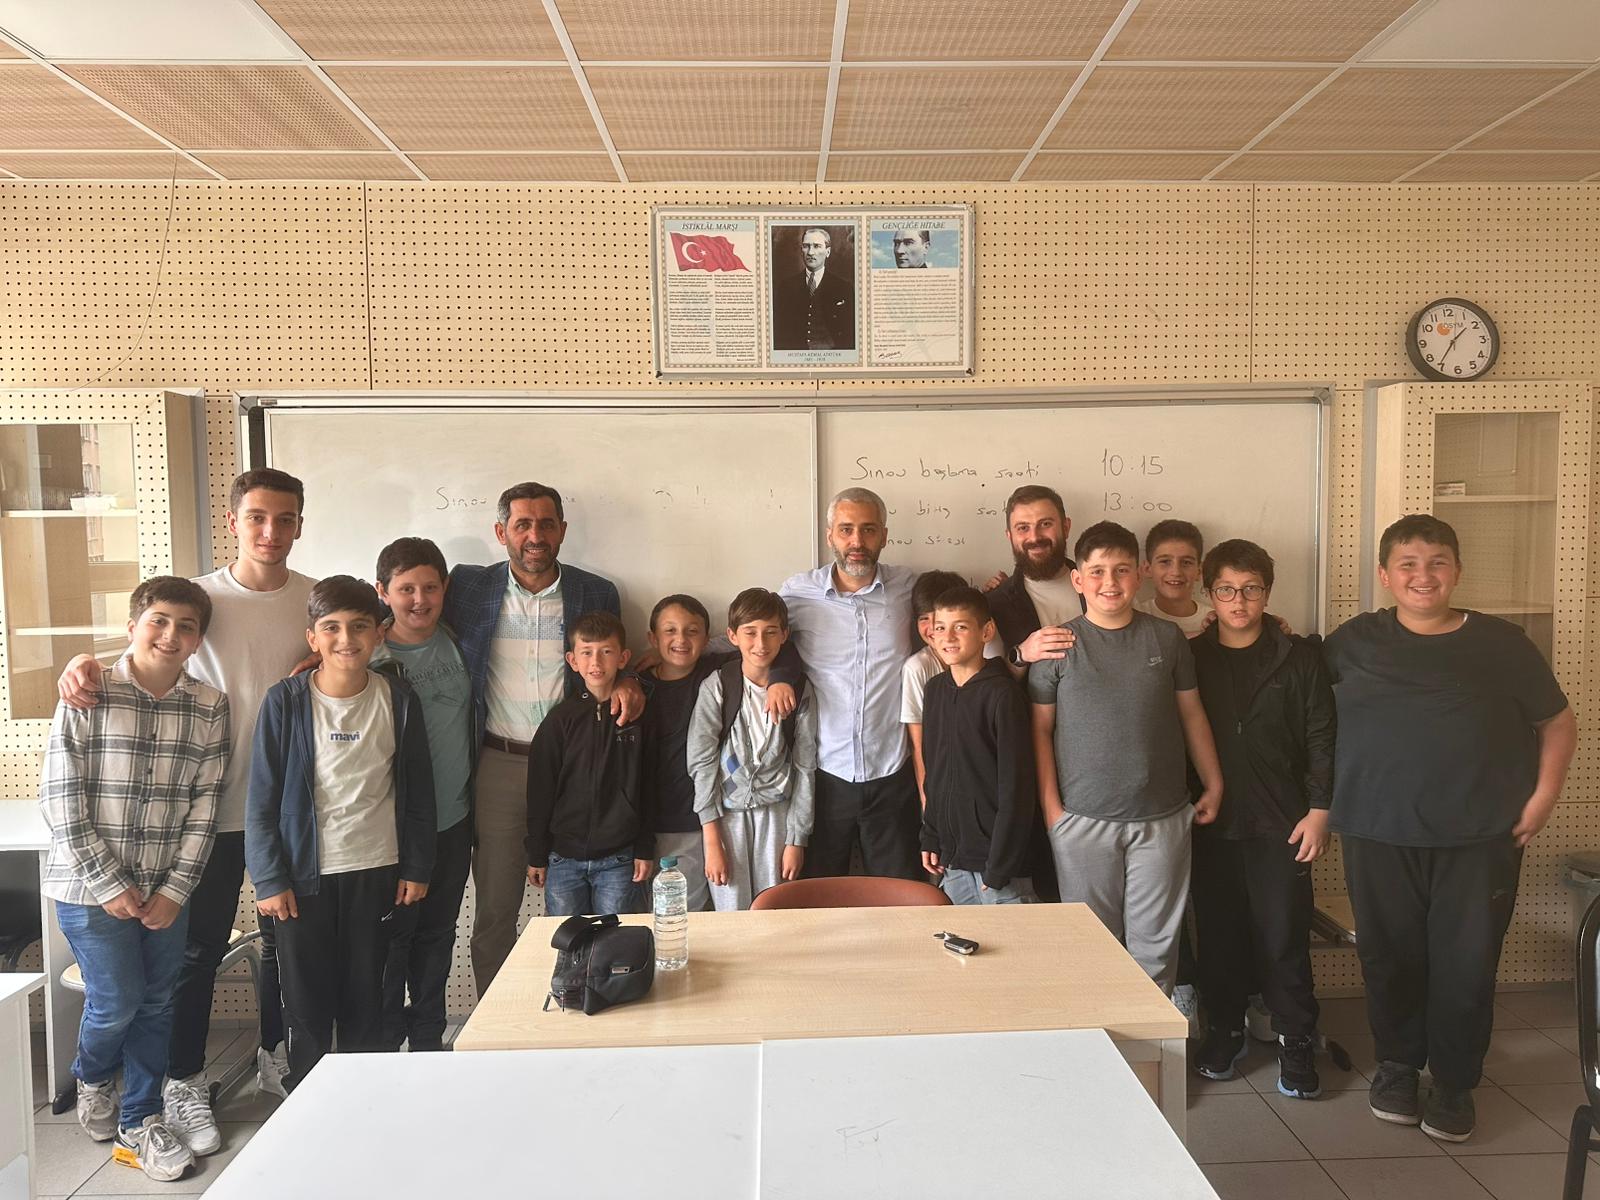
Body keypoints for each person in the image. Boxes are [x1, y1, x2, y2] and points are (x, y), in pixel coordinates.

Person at [55, 468, 314, 1152]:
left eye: (284, 519)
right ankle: (182, 1080)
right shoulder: (201, 598)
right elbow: (146, 652)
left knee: (286, 949)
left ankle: (277, 1058)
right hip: (206, 816)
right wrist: (82, 662)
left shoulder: (313, 599)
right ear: (234, 521)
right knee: (195, 958)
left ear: (300, 524)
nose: (270, 531)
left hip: (290, 814)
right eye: (257, 516)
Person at [1326, 514, 1576, 1143]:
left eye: (1436, 562)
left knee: (1467, 963)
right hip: (1377, 831)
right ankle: (1397, 1067)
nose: (1423, 576)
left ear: (1457, 571)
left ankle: (1455, 1081)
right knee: (1390, 958)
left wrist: (1545, 797)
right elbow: (1302, 706)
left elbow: (1556, 721)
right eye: (1407, 564)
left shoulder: (1503, 643)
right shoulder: (1351, 642)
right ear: (1385, 575)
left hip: (1480, 836)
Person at [39, 577, 229, 1182]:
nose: (171, 635)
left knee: (157, 1002)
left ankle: (141, 1118)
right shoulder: (88, 691)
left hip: (166, 889)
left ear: (199, 640)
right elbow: (60, 798)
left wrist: (175, 890)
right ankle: (93, 1075)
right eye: (158, 621)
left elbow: (206, 805)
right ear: (132, 626)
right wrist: (109, 884)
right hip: (87, 887)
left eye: (186, 627)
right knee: (118, 999)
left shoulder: (209, 705)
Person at [443, 482, 639, 994]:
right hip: (499, 763)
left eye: (546, 524)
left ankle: (589, 998)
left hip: (577, 768)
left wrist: (631, 680)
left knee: (586, 906)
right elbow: (403, 609)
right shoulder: (467, 587)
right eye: (522, 524)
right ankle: (497, 1018)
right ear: (500, 531)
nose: (535, 536)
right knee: (495, 908)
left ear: (562, 530)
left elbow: (612, 660)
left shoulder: (596, 592)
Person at [246, 576, 435, 1092]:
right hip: (301, 882)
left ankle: (364, 1100)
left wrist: (417, 866)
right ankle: (308, 1101)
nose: (346, 639)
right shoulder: (285, 702)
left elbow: (419, 792)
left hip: (377, 871)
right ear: (313, 637)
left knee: (368, 999)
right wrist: (268, 878)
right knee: (306, 1003)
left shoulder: (398, 699)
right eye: (331, 628)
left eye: (359, 626)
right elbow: (261, 800)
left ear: (378, 634)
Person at [1028, 521, 1224, 993]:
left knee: (1155, 952)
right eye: (1097, 572)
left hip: (1162, 821)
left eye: (1121, 570)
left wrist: (1214, 782)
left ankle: (1150, 1041)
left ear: (1139, 574)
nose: (1109, 582)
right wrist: (1053, 813)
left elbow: (1192, 714)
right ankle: (1101, 1038)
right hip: (1082, 822)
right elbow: (1040, 730)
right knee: (1093, 951)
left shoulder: (1166, 639)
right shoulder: (1057, 645)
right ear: (1078, 580)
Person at [1188, 540, 1335, 1100]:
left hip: (1284, 822)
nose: (1239, 601)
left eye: (1250, 589)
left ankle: (1296, 1037)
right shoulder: (1192, 657)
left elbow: (1322, 736)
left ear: (1267, 593)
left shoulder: (1299, 657)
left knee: (1283, 936)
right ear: (1210, 594)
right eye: (1226, 590)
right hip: (1212, 821)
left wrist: (1320, 810)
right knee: (1219, 935)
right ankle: (1225, 1029)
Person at [780, 488, 920, 880]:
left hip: (892, 774)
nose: (857, 541)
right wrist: (679, 654)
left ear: (884, 535)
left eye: (868, 529)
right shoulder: (798, 593)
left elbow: (958, 616)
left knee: (899, 896)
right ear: (830, 535)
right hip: (824, 776)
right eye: (846, 530)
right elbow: (751, 635)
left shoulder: (910, 588)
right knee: (820, 897)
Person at [371, 538, 475, 1053]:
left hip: (453, 820)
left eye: (430, 588)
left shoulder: (461, 641)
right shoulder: (368, 657)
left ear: (445, 589)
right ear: (382, 592)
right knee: (394, 939)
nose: (419, 600)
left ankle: (430, 1038)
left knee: (438, 933)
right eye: (405, 589)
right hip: (392, 829)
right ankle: (388, 1043)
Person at [639, 594, 801, 911]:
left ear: (707, 639)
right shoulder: (639, 687)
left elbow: (780, 647)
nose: (681, 640)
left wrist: (781, 678)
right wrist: (629, 678)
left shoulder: (717, 671)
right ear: (653, 638)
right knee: (681, 913)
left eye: (692, 631)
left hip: (721, 814)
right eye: (670, 631)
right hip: (667, 819)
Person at [688, 589, 816, 910]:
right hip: (726, 819)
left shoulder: (800, 689)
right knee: (731, 913)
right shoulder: (718, 686)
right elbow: (702, 763)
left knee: (775, 912)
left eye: (771, 632)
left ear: (784, 635)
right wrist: (711, 839)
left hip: (779, 817)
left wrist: (796, 840)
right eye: (750, 632)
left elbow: (805, 767)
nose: (761, 643)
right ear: (732, 636)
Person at [524, 611, 652, 918]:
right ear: (572, 660)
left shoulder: (636, 718)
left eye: (606, 652)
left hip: (619, 859)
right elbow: (540, 791)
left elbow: (648, 786)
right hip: (563, 860)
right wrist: (537, 853)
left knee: (615, 938)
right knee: (569, 940)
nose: (596, 662)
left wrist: (644, 848)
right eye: (586, 652)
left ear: (623, 658)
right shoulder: (559, 720)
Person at [919, 587, 1036, 905]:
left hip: (998, 865)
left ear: (986, 631)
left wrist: (1000, 865)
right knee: (962, 936)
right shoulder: (934, 691)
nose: (948, 637)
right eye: (940, 627)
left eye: (961, 627)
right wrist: (930, 835)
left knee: (1011, 937)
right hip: (953, 860)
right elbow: (935, 773)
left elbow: (1017, 789)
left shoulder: (1003, 695)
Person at [901, 569, 966, 809]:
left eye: (937, 616)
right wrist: (927, 802)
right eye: (922, 618)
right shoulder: (917, 668)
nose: (931, 627)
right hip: (940, 782)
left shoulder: (976, 657)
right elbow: (918, 745)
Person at [772, 227, 855, 351]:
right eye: (806, 246)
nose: (810, 252)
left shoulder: (844, 287)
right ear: (801, 250)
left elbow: (849, 335)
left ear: (828, 252)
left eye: (816, 246)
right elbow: (779, 334)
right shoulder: (786, 287)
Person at [1136, 519, 1213, 637]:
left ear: (1199, 571)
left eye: (1186, 562)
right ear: (1147, 569)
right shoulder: (1135, 618)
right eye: (1165, 561)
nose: (1176, 572)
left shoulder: (1215, 622)